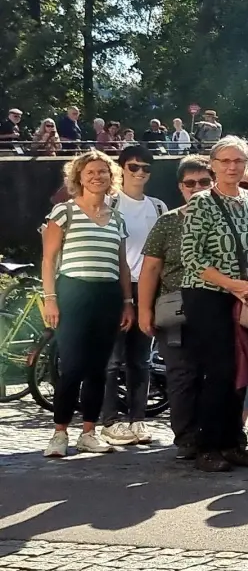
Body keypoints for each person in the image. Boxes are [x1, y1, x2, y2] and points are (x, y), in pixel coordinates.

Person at [179, 136, 248, 472]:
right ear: (213, 165)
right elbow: (191, 256)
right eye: (226, 161)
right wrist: (232, 284)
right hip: (208, 294)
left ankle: (234, 442)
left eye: (239, 161)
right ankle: (208, 446)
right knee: (218, 370)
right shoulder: (201, 202)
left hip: (246, 295)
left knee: (242, 370)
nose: (233, 167)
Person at [39, 149, 135, 458]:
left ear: (111, 178)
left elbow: (122, 266)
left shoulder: (117, 219)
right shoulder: (64, 212)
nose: (97, 176)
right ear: (79, 177)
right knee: (72, 366)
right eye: (90, 172)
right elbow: (49, 259)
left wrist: (127, 302)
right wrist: (51, 299)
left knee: (99, 368)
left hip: (107, 295)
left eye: (103, 172)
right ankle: (59, 432)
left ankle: (89, 432)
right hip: (73, 292)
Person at [135, 155, 212, 459]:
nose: (196, 188)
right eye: (190, 183)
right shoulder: (168, 222)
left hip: (216, 305)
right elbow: (150, 269)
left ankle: (213, 433)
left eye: (204, 182)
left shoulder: (224, 217)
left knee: (215, 373)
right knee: (181, 374)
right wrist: (144, 310)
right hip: (174, 307)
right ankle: (187, 438)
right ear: (181, 187)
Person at [100, 145, 168, 448]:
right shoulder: (108, 203)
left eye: (145, 168)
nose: (140, 173)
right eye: (133, 167)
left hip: (148, 287)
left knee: (140, 359)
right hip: (114, 287)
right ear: (122, 169)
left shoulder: (158, 207)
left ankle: (138, 418)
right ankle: (109, 421)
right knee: (112, 359)